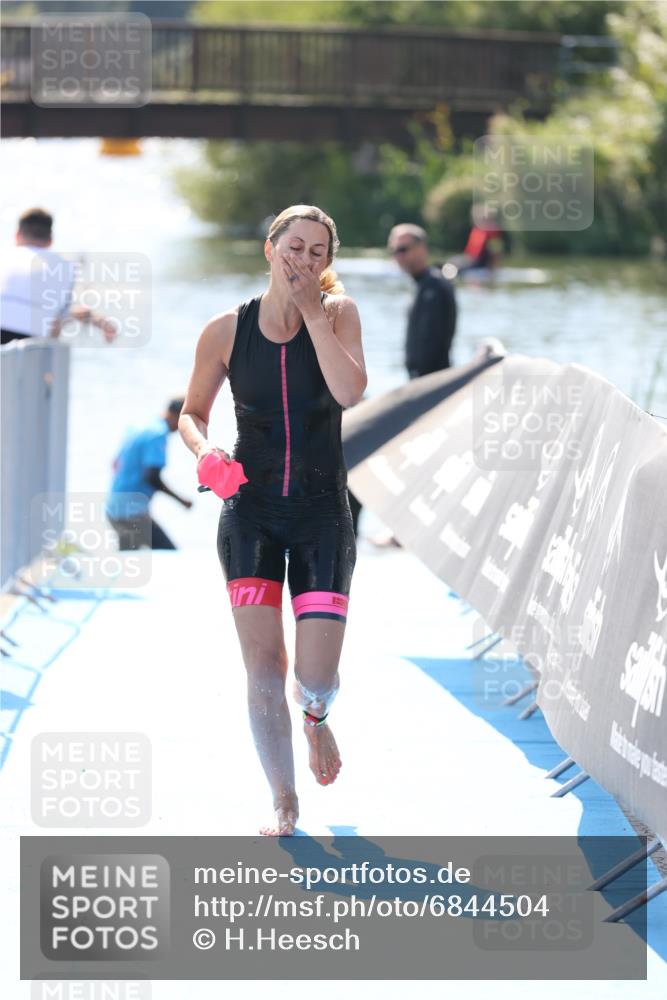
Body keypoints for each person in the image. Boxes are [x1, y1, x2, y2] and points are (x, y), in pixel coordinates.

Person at [178, 205, 366, 836]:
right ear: (269, 248)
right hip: (250, 514)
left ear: (327, 263)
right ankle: (284, 801)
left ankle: (316, 718)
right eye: (294, 247)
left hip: (322, 517)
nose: (303, 261)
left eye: (317, 253)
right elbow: (191, 413)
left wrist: (314, 313)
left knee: (313, 677)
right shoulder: (226, 330)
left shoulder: (339, 315)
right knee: (264, 667)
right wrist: (206, 453)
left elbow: (349, 393)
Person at [0, 208, 116, 345]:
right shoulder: (66, 267)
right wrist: (100, 321)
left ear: (17, 235)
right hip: (28, 344)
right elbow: (61, 316)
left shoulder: (4, 255)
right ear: (50, 240)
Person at [105, 398, 192, 550]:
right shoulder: (157, 435)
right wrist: (180, 500)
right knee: (169, 553)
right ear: (177, 415)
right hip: (131, 512)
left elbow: (114, 464)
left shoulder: (139, 427)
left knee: (129, 560)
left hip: (114, 508)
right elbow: (152, 477)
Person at [387, 223, 457, 379]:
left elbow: (432, 342)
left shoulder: (435, 286)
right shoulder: (422, 284)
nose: (398, 256)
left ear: (422, 248)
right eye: (394, 251)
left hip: (433, 383)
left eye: (403, 249)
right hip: (422, 381)